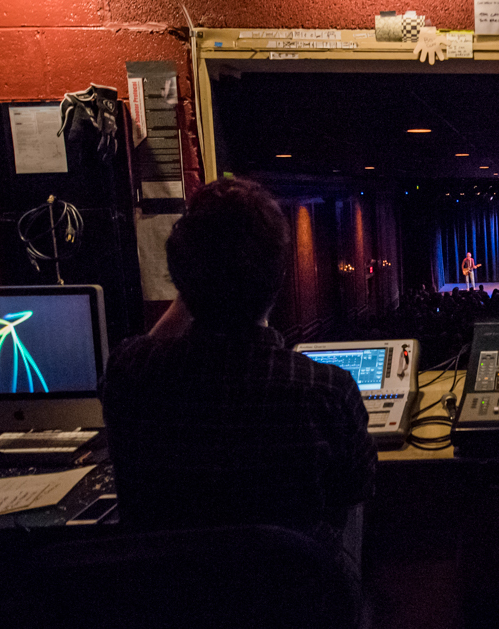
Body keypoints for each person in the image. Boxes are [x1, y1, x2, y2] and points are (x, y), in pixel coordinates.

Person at [101, 178, 376, 560]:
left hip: (166, 599)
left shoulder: (130, 373)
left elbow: (148, 348)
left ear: (180, 275)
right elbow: (357, 487)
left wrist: (195, 286)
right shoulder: (324, 390)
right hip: (297, 602)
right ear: (280, 277)